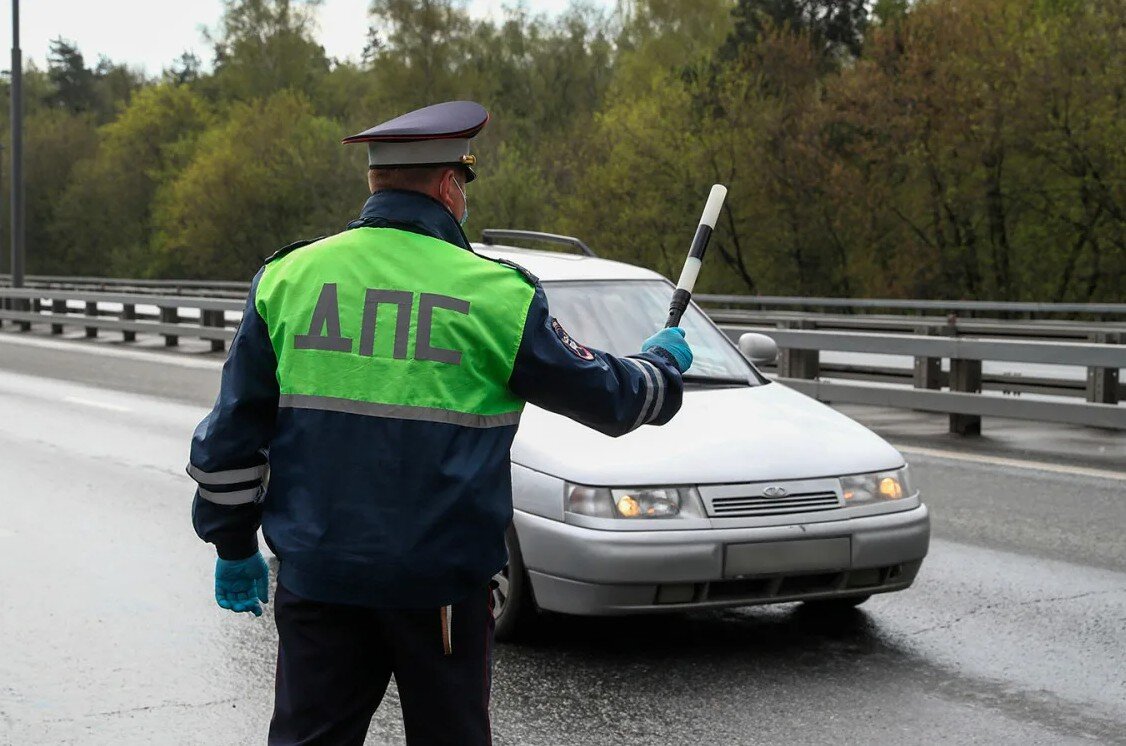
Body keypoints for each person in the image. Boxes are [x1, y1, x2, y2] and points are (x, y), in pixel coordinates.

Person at [187, 100, 693, 746]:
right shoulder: (495, 294)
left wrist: (232, 543)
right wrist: (661, 367)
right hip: (443, 592)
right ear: (450, 185)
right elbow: (610, 398)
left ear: (375, 182)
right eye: (465, 186)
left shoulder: (287, 280)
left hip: (321, 582)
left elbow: (230, 439)